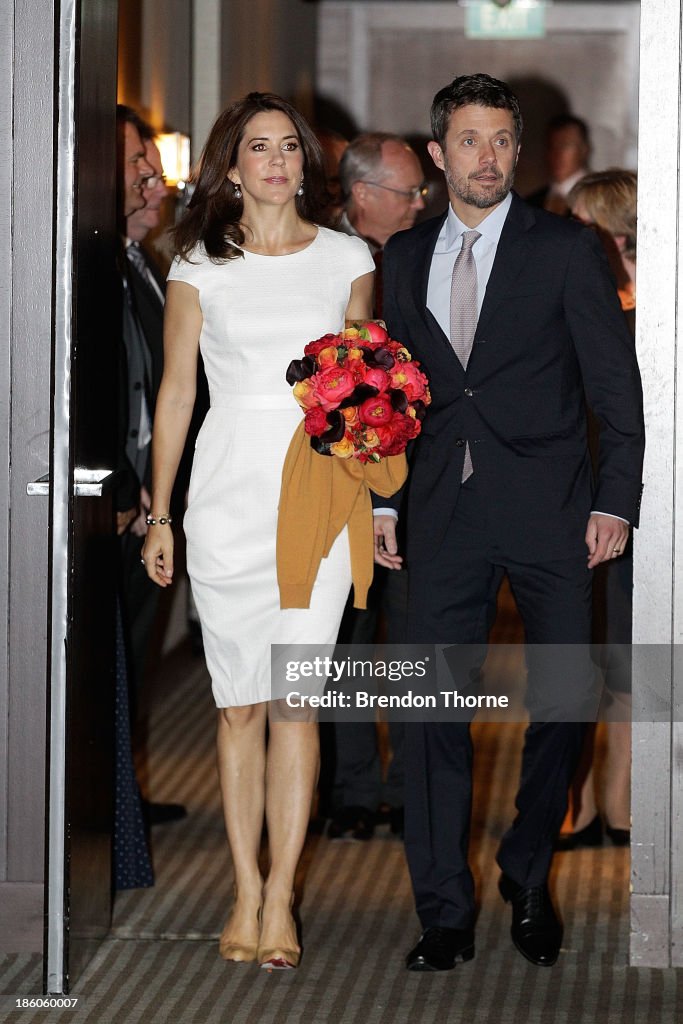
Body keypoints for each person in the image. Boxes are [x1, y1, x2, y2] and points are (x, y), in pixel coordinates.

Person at [373, 74, 644, 972]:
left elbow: (614, 386)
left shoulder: (567, 250)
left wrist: (614, 500)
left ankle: (527, 870)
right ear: (439, 151)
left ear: (514, 154)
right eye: (469, 141)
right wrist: (382, 499)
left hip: (555, 512)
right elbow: (391, 400)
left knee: (564, 702)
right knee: (427, 716)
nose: (486, 157)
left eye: (500, 142)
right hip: (439, 511)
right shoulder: (403, 258)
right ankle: (442, 909)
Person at [141, 92, 376, 970]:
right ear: (230, 167)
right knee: (238, 704)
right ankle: (244, 886)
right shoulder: (198, 264)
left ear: (304, 163)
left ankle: (282, 900)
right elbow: (174, 394)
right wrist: (159, 514)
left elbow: (363, 388)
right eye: (256, 147)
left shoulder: (348, 258)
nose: (275, 160)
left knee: (296, 701)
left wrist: (369, 497)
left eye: (288, 146)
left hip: (316, 491)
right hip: (228, 490)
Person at [327, 132, 426, 841]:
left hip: (427, 477)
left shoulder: (428, 254)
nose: (421, 202)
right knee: (347, 640)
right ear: (363, 195)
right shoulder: (319, 259)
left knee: (419, 635)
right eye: (408, 192)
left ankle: (410, 786)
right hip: (342, 477)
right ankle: (354, 787)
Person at [555, 169, 638, 850]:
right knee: (575, 653)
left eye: (580, 225)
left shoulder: (654, 310)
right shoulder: (575, 295)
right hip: (570, 489)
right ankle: (577, 804)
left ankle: (619, 801)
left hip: (638, 495)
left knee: (632, 653)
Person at [527, 114, 590, 217]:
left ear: (584, 150)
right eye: (552, 146)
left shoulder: (600, 199)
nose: (557, 154)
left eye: (565, 146)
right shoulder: (531, 203)